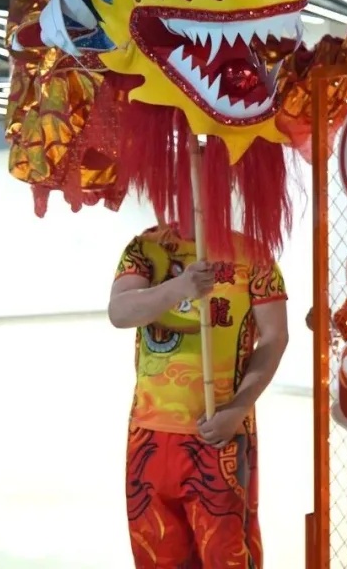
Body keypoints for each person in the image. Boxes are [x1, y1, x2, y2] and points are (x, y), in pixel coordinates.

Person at [108, 223, 289, 568]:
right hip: (149, 435)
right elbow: (119, 312)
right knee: (157, 555)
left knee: (226, 554)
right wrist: (179, 287)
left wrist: (237, 409)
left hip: (220, 433)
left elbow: (275, 337)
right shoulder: (143, 248)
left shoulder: (253, 254)